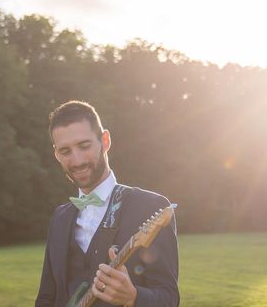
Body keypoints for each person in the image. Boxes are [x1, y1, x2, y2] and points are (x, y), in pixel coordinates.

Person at [35, 101, 179, 307]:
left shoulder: (150, 206)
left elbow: (169, 299)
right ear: (56, 154)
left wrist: (133, 297)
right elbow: (47, 297)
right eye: (65, 151)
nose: (76, 161)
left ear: (105, 140)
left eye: (84, 146)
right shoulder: (60, 217)